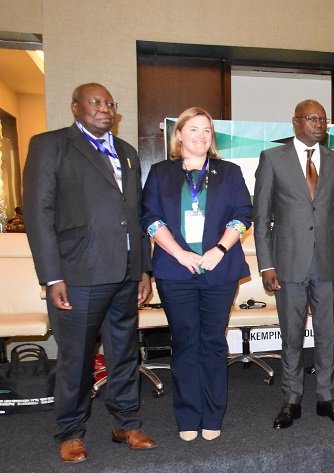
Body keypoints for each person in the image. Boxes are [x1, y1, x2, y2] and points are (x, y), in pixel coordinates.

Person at [23, 83, 156, 463]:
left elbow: (135, 215)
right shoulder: (51, 146)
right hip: (78, 274)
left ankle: (126, 423)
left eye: (110, 103)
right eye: (95, 102)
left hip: (126, 273)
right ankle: (70, 431)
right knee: (76, 358)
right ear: (75, 106)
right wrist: (52, 277)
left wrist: (143, 269)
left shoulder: (127, 152)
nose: (105, 108)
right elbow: (38, 214)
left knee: (125, 353)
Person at [141, 107, 252, 441]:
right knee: (185, 342)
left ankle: (213, 413)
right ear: (179, 135)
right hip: (175, 271)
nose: (201, 136)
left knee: (213, 343)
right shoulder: (161, 173)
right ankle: (188, 415)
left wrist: (219, 250)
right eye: (193, 129)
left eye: (207, 130)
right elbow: (150, 216)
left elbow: (243, 213)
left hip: (219, 270)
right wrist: (179, 253)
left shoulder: (229, 172)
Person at [253, 99, 334, 429]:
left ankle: (327, 397)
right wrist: (267, 265)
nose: (318, 124)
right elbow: (260, 217)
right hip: (287, 263)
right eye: (312, 119)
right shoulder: (272, 158)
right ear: (295, 122)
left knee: (327, 334)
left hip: (329, 262)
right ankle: (291, 399)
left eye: (323, 119)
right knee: (292, 336)